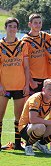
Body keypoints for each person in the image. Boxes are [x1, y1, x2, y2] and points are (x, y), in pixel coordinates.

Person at [18, 79, 51, 156]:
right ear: (43, 89)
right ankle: (28, 145)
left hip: (39, 128)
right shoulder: (36, 98)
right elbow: (33, 119)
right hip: (25, 128)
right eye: (49, 89)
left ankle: (41, 144)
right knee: (41, 126)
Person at [0, 17, 30, 150]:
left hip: (19, 85)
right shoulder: (0, 46)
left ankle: (18, 144)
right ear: (5, 28)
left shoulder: (23, 45)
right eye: (10, 26)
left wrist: (27, 84)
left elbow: (26, 67)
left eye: (14, 26)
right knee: (0, 115)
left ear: (17, 29)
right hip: (4, 87)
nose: (12, 29)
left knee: (18, 117)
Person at [22, 14, 51, 94]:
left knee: (44, 105)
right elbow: (24, 64)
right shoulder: (25, 40)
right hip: (33, 78)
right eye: (35, 23)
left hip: (45, 78)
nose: (38, 25)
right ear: (29, 24)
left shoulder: (44, 35)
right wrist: (30, 81)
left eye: (40, 22)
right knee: (32, 105)